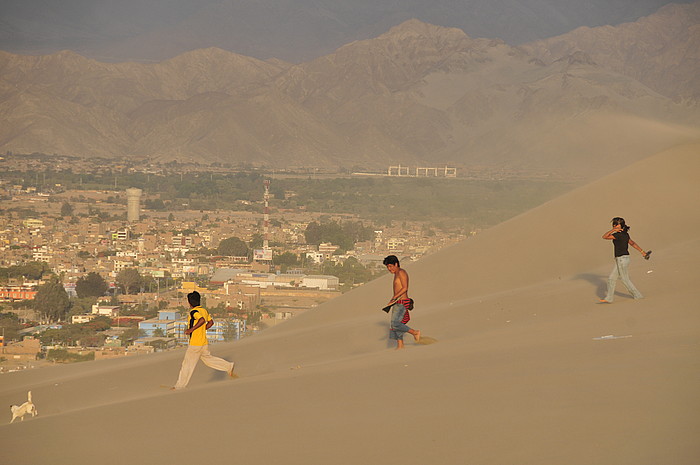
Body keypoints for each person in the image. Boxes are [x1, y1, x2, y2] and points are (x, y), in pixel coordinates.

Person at [172, 291, 235, 390]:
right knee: (209, 360)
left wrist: (191, 330)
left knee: (187, 365)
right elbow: (211, 322)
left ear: (189, 303)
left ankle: (179, 386)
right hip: (203, 343)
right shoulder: (204, 310)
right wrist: (202, 329)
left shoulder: (193, 312)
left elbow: (201, 320)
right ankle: (228, 366)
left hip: (195, 344)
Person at [600, 217, 648, 303]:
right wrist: (642, 252)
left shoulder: (618, 235)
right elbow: (632, 243)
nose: (614, 225)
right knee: (611, 279)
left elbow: (604, 236)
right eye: (613, 224)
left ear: (620, 225)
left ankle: (638, 296)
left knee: (625, 279)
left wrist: (612, 230)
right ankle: (609, 298)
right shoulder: (624, 234)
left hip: (622, 259)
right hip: (622, 259)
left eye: (616, 224)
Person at [383, 255, 420, 349]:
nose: (389, 269)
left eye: (390, 266)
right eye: (387, 267)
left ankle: (415, 332)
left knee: (396, 324)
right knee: (395, 324)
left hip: (402, 302)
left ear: (396, 264)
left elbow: (405, 288)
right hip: (397, 302)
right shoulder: (396, 274)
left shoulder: (401, 272)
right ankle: (400, 345)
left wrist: (394, 297)